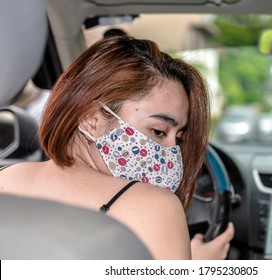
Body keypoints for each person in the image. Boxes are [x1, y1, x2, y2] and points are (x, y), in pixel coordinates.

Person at [0, 34, 234, 259]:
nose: (173, 150)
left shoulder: (6, 179)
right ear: (91, 119)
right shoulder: (154, 207)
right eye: (159, 131)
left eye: (179, 138)